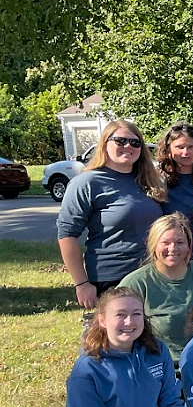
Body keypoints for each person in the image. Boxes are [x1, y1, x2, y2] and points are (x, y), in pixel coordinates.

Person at [58, 120, 166, 308]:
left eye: (135, 143)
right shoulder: (87, 182)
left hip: (151, 275)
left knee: (151, 335)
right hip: (111, 278)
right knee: (118, 334)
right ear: (104, 144)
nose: (128, 146)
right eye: (120, 141)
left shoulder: (148, 181)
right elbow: (67, 235)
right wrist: (82, 283)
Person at [119, 213, 193, 362]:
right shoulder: (135, 283)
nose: (173, 248)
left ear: (188, 246)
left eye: (180, 242)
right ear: (153, 245)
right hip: (161, 365)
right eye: (165, 242)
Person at [155, 122, 193, 262]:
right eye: (180, 147)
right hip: (171, 257)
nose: (185, 152)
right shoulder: (157, 182)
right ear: (169, 149)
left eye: (191, 147)